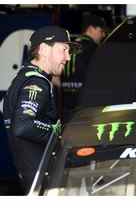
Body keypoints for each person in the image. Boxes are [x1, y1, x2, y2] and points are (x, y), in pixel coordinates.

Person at [3, 25, 79, 195]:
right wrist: (58, 132)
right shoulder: (36, 82)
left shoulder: (26, 77)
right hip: (42, 183)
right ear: (44, 49)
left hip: (33, 178)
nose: (67, 57)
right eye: (64, 50)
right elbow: (23, 126)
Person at [61, 15, 107, 120]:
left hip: (65, 100)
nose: (103, 34)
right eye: (101, 31)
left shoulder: (68, 46)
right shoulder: (95, 49)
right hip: (85, 104)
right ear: (91, 28)